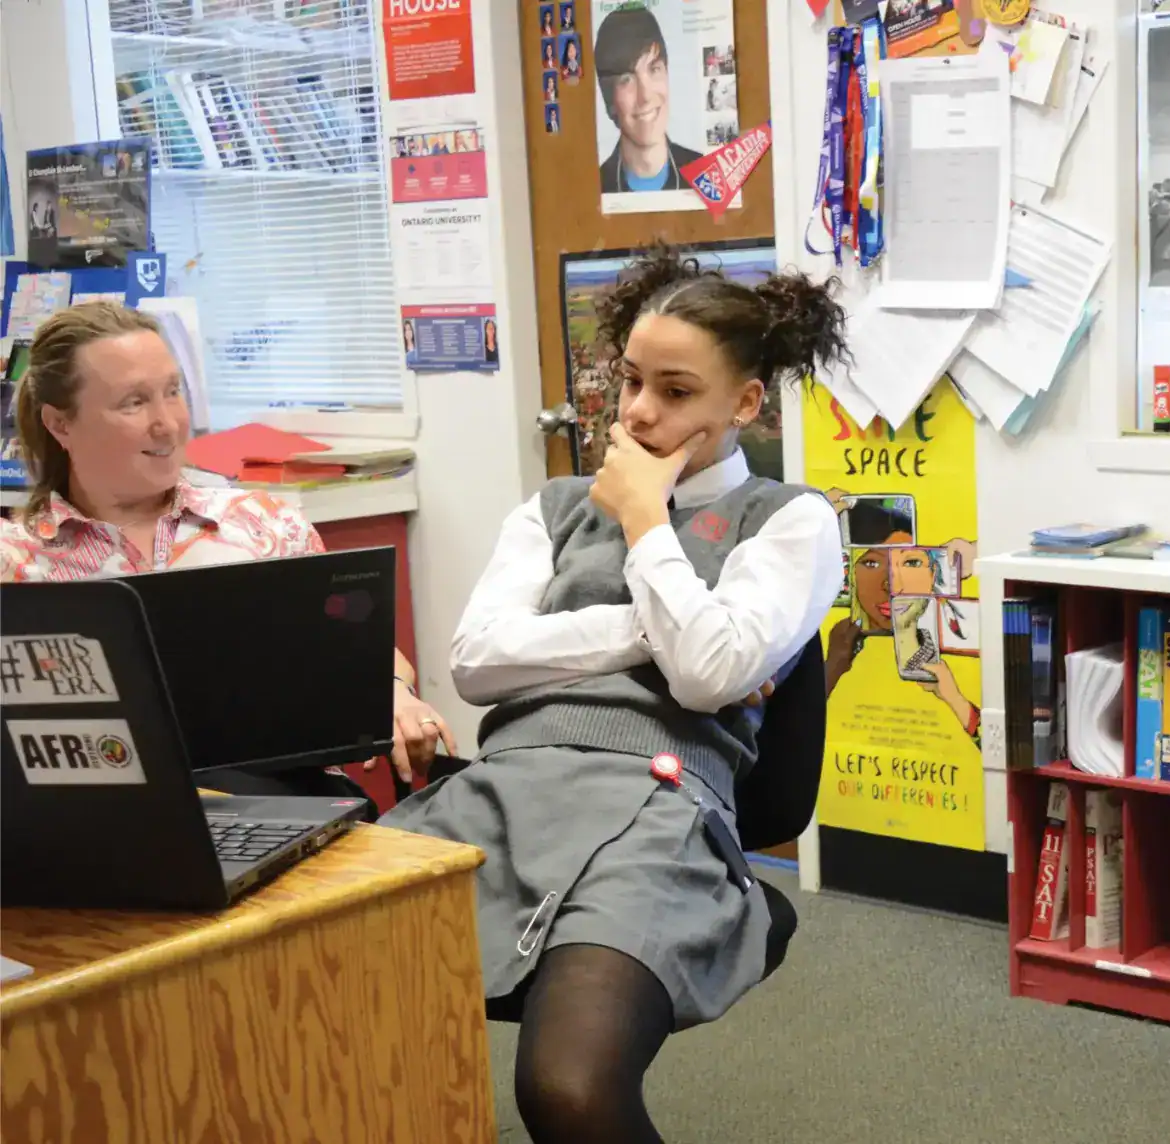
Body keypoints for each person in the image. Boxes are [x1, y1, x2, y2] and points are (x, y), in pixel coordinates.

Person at [380, 245, 848, 1144]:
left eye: (675, 392)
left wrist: (643, 518)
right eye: (630, 379)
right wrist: (651, 636)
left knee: (568, 1091)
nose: (636, 410)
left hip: (656, 813)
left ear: (744, 405)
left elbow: (709, 676)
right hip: (500, 794)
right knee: (294, 1004)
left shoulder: (789, 521)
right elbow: (477, 662)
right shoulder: (552, 506)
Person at [0, 301, 454, 795]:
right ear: (60, 424)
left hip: (283, 797)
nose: (167, 423)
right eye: (133, 402)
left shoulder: (263, 523)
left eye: (173, 392)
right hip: (103, 814)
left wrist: (392, 693)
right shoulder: (16, 561)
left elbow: (361, 655)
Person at [596, 7, 700, 194]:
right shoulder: (595, 190)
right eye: (627, 79)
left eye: (654, 69)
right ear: (609, 99)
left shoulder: (706, 175)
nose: (645, 96)